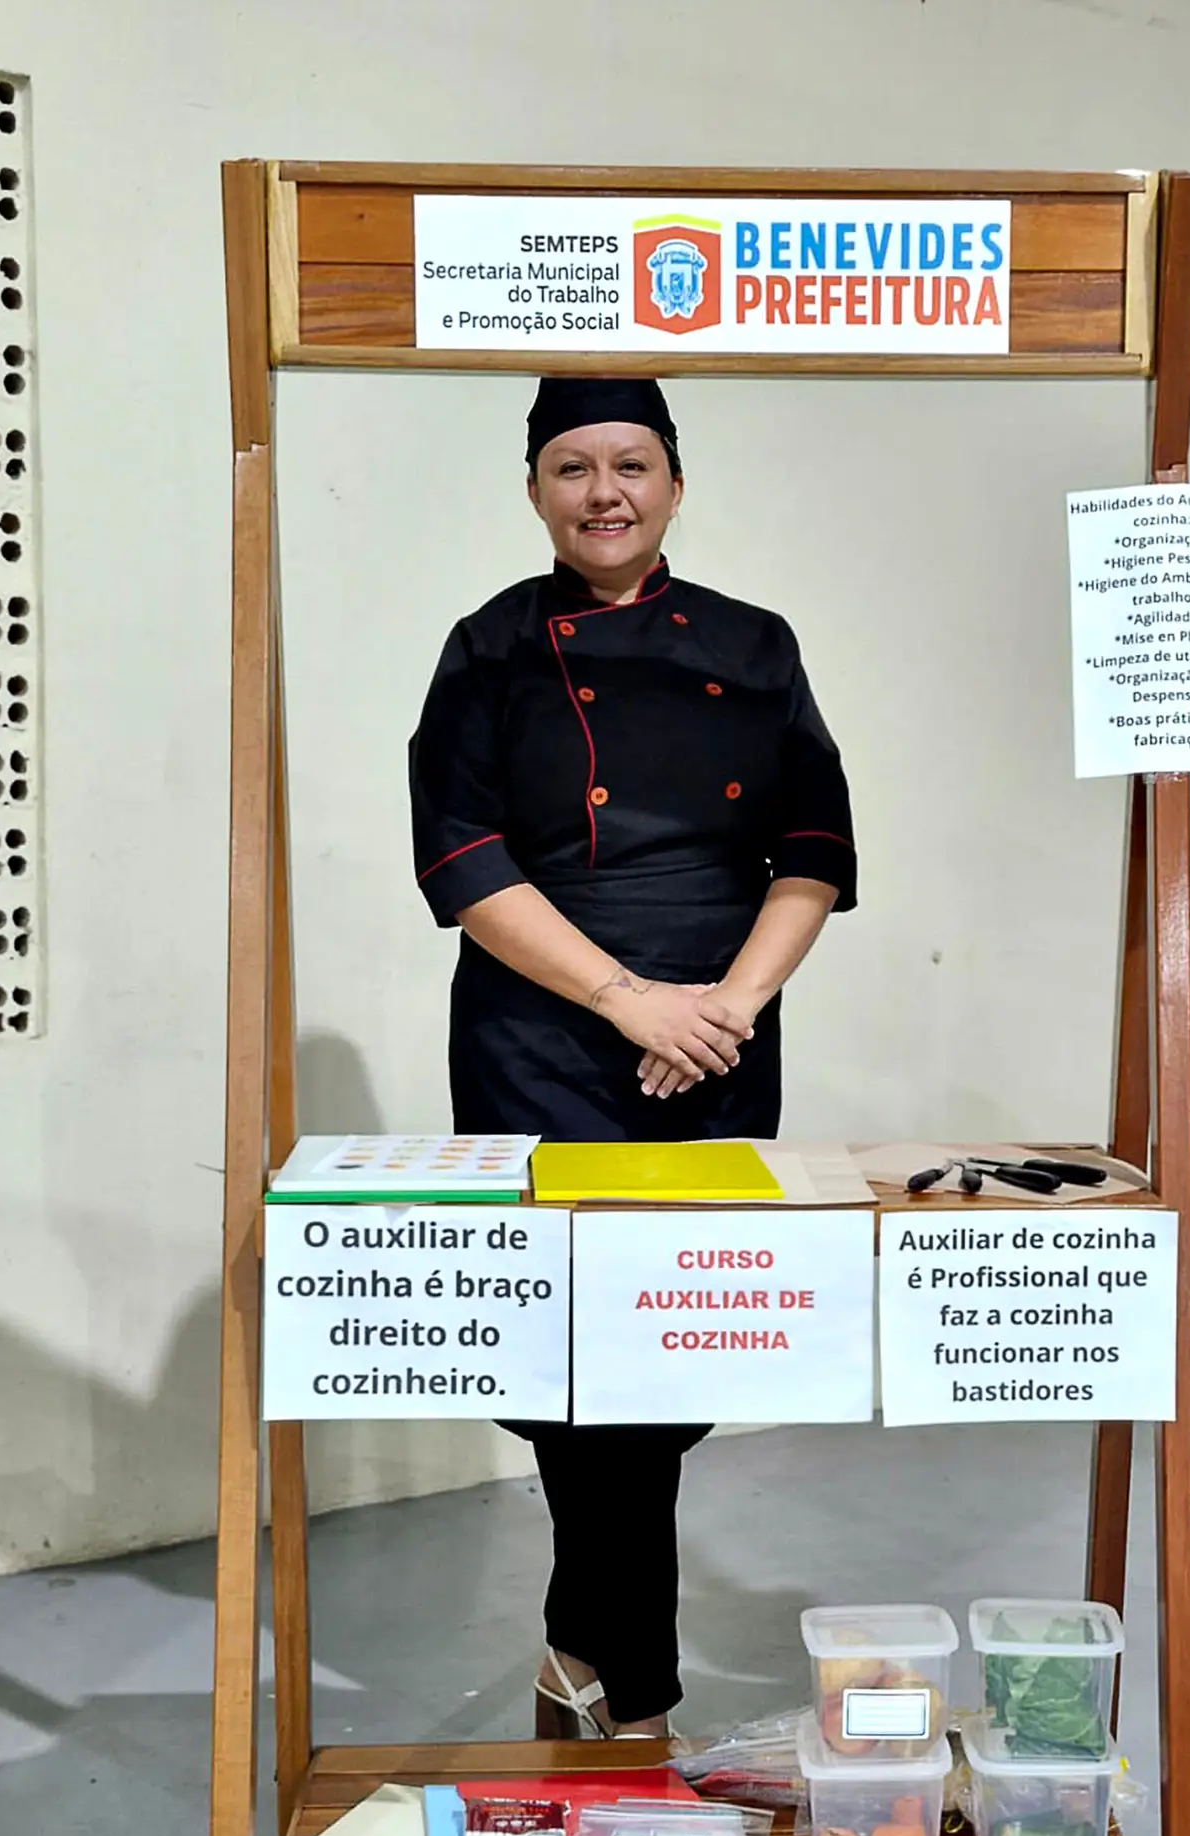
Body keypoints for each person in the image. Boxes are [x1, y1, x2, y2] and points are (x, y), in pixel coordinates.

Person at [409, 376, 857, 1741]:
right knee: (575, 1350)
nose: (603, 492)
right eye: (572, 467)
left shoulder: (755, 643)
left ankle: (577, 1658)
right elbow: (461, 861)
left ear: (673, 482)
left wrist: (722, 1008)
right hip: (543, 1027)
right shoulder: (488, 648)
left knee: (680, 1341)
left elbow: (816, 848)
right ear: (534, 489)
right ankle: (634, 1693)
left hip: (720, 1028)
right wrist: (626, 1002)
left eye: (631, 464)